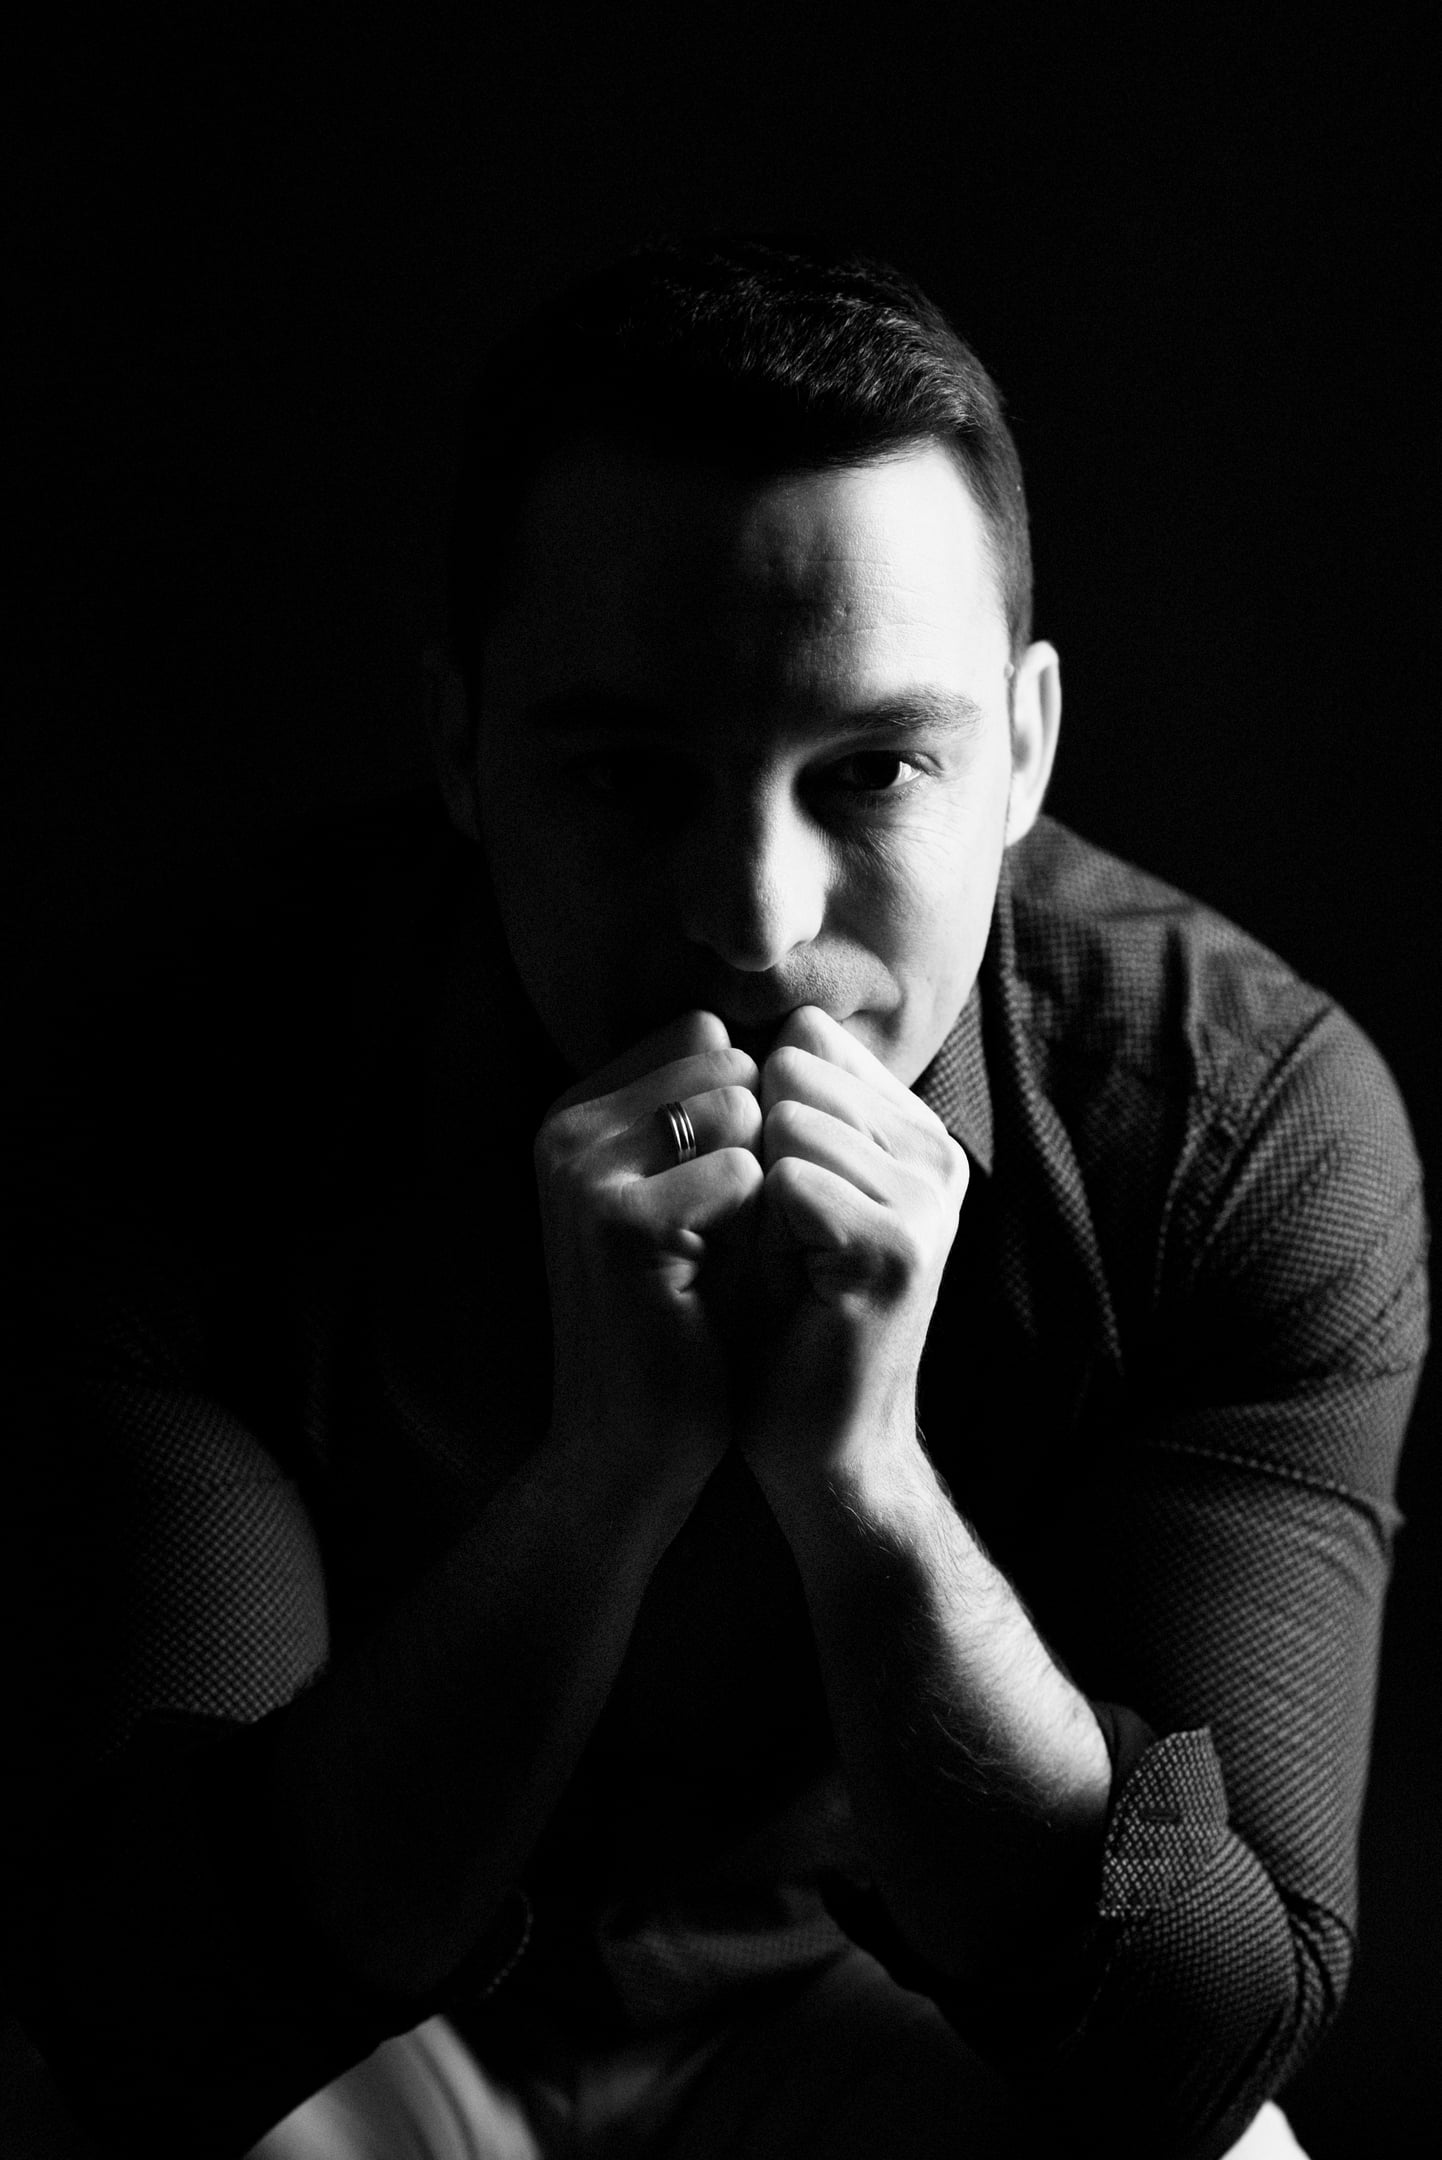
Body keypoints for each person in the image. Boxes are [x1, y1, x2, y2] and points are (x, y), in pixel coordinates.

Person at [0, 232, 1427, 2160]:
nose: (753, 922)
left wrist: (864, 1489)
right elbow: (147, 1997)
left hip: (875, 2011)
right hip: (365, 2027)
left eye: (873, 769)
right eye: (623, 777)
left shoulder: (1234, 1131)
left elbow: (1208, 2033)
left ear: (1020, 749)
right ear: (463, 749)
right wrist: (605, 1480)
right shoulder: (180, 1080)